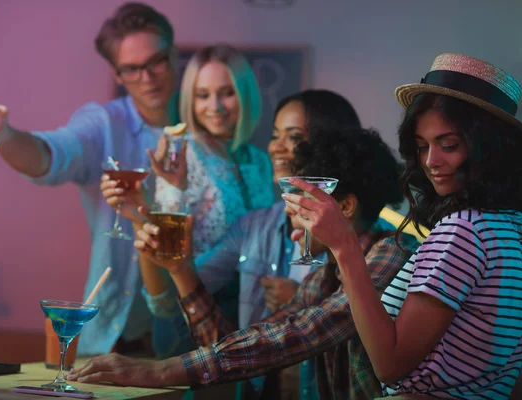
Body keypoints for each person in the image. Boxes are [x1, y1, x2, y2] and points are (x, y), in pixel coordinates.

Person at [67, 125, 422, 400]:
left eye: (299, 200)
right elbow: (251, 348)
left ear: (343, 207)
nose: (288, 211)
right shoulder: (322, 276)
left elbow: (299, 335)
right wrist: (181, 270)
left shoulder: (390, 252)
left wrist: (158, 372)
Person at [283, 53, 522, 399]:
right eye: (422, 146)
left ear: (490, 147)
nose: (430, 162)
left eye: (449, 145)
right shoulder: (510, 228)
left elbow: (391, 365)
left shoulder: (463, 231)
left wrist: (344, 246)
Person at [0, 3, 180, 357]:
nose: (147, 77)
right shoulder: (103, 124)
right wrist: (6, 135)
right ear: (117, 75)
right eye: (132, 69)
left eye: (156, 62)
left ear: (173, 54)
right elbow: (50, 156)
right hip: (113, 335)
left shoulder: (206, 127)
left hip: (188, 334)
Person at [136, 89, 365, 399]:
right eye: (274, 135)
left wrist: (307, 300)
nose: (277, 147)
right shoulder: (253, 226)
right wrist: (144, 217)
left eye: (293, 137)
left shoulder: (365, 236)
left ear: (331, 147)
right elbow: (172, 303)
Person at [100, 44, 274, 358]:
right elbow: (164, 250)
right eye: (202, 95)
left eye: (226, 92)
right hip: (189, 314)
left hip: (250, 313)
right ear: (190, 101)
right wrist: (167, 193)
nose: (215, 106)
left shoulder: (260, 160)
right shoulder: (184, 152)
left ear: (246, 94)